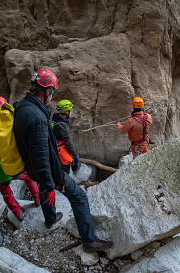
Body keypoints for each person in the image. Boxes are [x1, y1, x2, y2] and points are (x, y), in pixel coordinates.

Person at [13, 68, 113, 252]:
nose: (52, 96)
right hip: (49, 170)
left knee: (44, 186)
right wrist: (51, 186)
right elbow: (42, 157)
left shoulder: (21, 107)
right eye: (52, 91)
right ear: (47, 91)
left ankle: (50, 218)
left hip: (31, 167)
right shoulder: (37, 118)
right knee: (79, 197)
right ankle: (89, 240)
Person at [0, 96, 41, 222]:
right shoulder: (11, 127)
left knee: (6, 192)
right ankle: (37, 200)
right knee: (28, 178)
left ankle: (18, 213)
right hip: (12, 165)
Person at [51, 99, 81, 173]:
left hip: (53, 151)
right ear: (66, 112)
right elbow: (69, 145)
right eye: (70, 110)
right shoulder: (63, 127)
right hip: (61, 155)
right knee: (63, 176)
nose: (71, 112)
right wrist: (76, 156)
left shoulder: (54, 119)